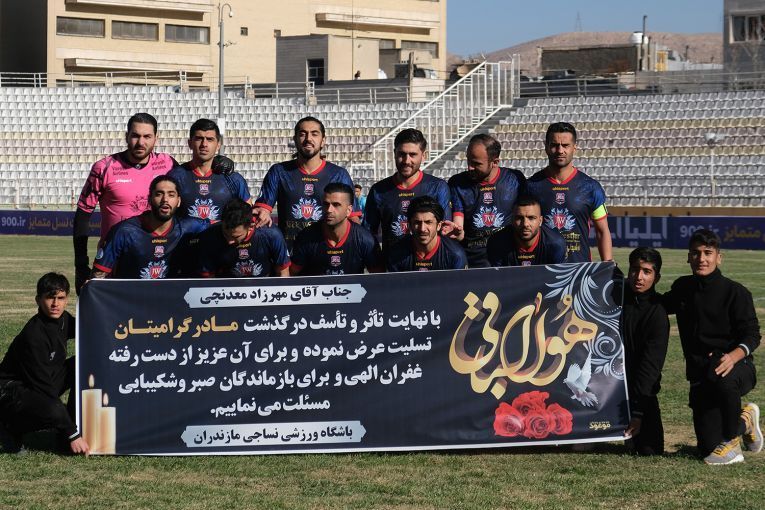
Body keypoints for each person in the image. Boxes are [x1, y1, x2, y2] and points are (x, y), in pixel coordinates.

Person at [73, 113, 233, 293]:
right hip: (116, 260)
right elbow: (83, 215)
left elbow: (191, 175)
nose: (141, 142)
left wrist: (216, 161)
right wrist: (80, 263)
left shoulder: (167, 164)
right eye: (135, 136)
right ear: (126, 136)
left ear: (156, 138)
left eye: (147, 136)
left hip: (161, 261)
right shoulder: (104, 167)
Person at [663, 229, 762, 465]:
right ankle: (746, 419)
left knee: (722, 372)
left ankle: (732, 444)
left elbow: (752, 335)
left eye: (708, 253)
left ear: (719, 257)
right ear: (688, 257)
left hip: (737, 368)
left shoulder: (736, 292)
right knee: (708, 446)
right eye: (696, 253)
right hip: (701, 376)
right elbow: (659, 305)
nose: (702, 259)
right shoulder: (683, 288)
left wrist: (733, 356)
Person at [0, 273, 89, 455]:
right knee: (52, 409)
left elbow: (89, 327)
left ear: (67, 300)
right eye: (50, 297)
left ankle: (71, 425)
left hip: (37, 383)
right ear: (38, 300)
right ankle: (8, 427)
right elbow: (45, 389)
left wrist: (92, 291)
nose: (55, 304)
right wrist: (72, 434)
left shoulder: (63, 320)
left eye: (61, 298)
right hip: (11, 392)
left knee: (80, 364)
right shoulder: (34, 336)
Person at [252, 116, 357, 249]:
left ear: (323, 141)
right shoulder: (279, 172)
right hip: (289, 252)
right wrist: (263, 213)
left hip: (324, 252)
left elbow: (353, 218)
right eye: (302, 134)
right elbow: (262, 211)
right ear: (295, 139)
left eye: (314, 134)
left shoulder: (338, 174)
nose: (308, 139)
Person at [525, 122, 612, 263]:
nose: (560, 150)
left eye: (565, 145)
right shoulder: (531, 186)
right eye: (554, 145)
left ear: (574, 148)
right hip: (543, 268)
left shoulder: (590, 187)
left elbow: (602, 231)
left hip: (579, 269)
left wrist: (608, 264)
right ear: (546, 147)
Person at [90, 175, 202, 280]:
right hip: (130, 294)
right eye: (159, 194)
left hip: (171, 294)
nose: (165, 199)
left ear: (179, 201)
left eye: (171, 195)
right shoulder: (124, 231)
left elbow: (213, 228)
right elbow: (98, 276)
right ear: (149, 199)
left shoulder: (189, 227)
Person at [364, 128, 451, 253]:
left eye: (412, 155)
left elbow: (445, 231)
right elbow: (368, 234)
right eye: (402, 154)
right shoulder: (378, 190)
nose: (406, 161)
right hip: (392, 263)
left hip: (429, 263)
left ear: (424, 156)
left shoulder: (437, 187)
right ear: (394, 153)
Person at [447, 134, 526, 267]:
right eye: (468, 161)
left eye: (476, 164)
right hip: (473, 260)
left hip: (507, 258)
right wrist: (458, 232)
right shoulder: (457, 183)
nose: (470, 167)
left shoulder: (514, 180)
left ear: (495, 162)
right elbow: (458, 220)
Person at [622, 247, 669, 456]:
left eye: (647, 272)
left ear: (656, 277)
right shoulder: (614, 297)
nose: (639, 277)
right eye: (634, 269)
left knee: (650, 450)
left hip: (639, 391)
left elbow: (650, 369)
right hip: (607, 386)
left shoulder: (657, 314)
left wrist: (638, 412)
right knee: (583, 443)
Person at [168, 118, 249, 225]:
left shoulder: (233, 178)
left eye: (210, 139)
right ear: (190, 143)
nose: (204, 144)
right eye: (199, 139)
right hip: (186, 236)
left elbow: (248, 216)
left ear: (218, 144)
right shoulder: (175, 177)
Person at [291, 183, 383, 276]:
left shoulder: (365, 239)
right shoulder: (306, 237)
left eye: (336, 205)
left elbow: (379, 278)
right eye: (326, 204)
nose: (329, 210)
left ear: (348, 210)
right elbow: (291, 275)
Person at [197, 198, 290, 278]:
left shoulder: (271, 234)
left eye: (236, 236)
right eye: (225, 234)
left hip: (263, 288)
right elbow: (208, 279)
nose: (229, 241)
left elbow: (283, 273)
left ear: (251, 226)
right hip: (226, 289)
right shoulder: (210, 236)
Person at [386, 195, 467, 272]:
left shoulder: (456, 255)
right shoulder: (396, 254)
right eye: (417, 222)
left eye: (428, 222)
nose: (422, 229)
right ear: (409, 225)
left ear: (439, 225)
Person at [486, 195, 566, 267]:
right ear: (512, 220)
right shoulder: (497, 242)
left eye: (531, 218)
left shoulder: (555, 244)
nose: (525, 224)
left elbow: (558, 276)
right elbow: (496, 277)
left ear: (540, 221)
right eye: (519, 218)